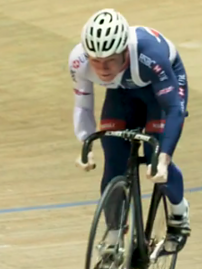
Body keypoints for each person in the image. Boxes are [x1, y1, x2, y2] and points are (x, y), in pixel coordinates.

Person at [67, 7, 191, 256]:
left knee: (155, 159)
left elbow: (174, 111)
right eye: (96, 60)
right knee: (114, 161)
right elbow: (83, 105)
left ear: (124, 51)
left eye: (109, 60)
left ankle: (179, 213)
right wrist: (85, 142)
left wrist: (164, 158)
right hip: (121, 91)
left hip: (159, 90)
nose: (102, 68)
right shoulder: (79, 61)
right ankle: (113, 234)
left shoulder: (150, 56)